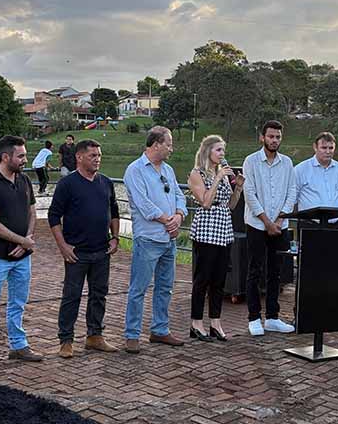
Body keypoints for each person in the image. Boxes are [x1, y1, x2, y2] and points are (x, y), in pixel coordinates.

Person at [0, 136, 42, 369]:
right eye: (20, 156)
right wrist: (22, 240)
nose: (25, 159)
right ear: (5, 157)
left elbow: (32, 213)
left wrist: (27, 241)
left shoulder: (24, 180)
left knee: (18, 303)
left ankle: (18, 345)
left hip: (23, 256)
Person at [49, 139, 121, 358]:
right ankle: (66, 340)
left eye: (99, 155)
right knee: (71, 295)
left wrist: (115, 238)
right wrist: (63, 246)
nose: (97, 159)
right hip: (76, 252)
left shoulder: (106, 182)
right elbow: (53, 217)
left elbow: (115, 211)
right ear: (79, 157)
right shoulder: (67, 184)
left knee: (99, 294)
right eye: (93, 156)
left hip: (102, 250)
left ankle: (94, 336)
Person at [123, 126, 188, 353]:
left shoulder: (168, 169)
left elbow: (180, 195)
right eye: (168, 144)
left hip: (168, 239)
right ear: (156, 144)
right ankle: (132, 335)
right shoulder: (135, 170)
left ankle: (160, 330)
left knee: (165, 288)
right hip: (148, 239)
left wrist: (179, 216)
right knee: (138, 288)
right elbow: (143, 205)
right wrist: (167, 221)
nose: (171, 148)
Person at [187, 135, 245, 342]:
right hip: (206, 230)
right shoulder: (197, 173)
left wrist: (237, 187)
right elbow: (205, 202)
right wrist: (219, 177)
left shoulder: (221, 173)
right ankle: (196, 323)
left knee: (219, 280)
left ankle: (215, 323)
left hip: (224, 231)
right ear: (208, 152)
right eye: (218, 150)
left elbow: (229, 205)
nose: (222, 154)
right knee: (202, 279)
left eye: (223, 150)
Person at [242, 120, 297, 336]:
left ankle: (273, 318)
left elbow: (292, 192)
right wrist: (266, 222)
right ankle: (254, 318)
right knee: (254, 271)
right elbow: (249, 193)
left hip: (281, 225)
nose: (274, 140)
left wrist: (280, 221)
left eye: (278, 137)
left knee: (276, 273)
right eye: (271, 136)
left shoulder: (287, 163)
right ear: (262, 137)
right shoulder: (251, 161)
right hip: (257, 224)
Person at [295, 131, 338, 217]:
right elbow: (293, 198)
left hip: (335, 223)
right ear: (315, 147)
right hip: (309, 223)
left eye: (331, 148)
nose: (328, 151)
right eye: (324, 148)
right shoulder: (300, 169)